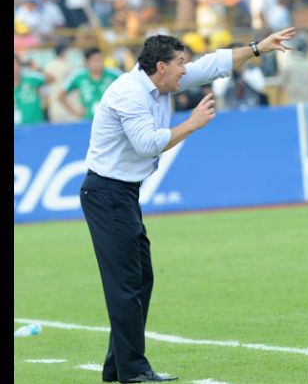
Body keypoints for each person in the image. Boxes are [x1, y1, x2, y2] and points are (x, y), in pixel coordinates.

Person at [79, 27, 296, 383]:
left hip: (122, 194)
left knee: (140, 279)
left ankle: (117, 365)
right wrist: (191, 124)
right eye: (180, 63)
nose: (186, 69)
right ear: (161, 67)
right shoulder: (129, 92)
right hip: (107, 194)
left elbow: (213, 64)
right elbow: (146, 145)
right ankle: (132, 370)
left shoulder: (160, 80)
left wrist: (258, 48)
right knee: (127, 283)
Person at [59, 47, 122, 120]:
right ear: (87, 62)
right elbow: (61, 95)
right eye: (95, 60)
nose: (98, 63)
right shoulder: (79, 75)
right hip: (87, 120)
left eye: (100, 59)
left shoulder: (114, 74)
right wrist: (75, 112)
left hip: (109, 120)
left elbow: (129, 90)